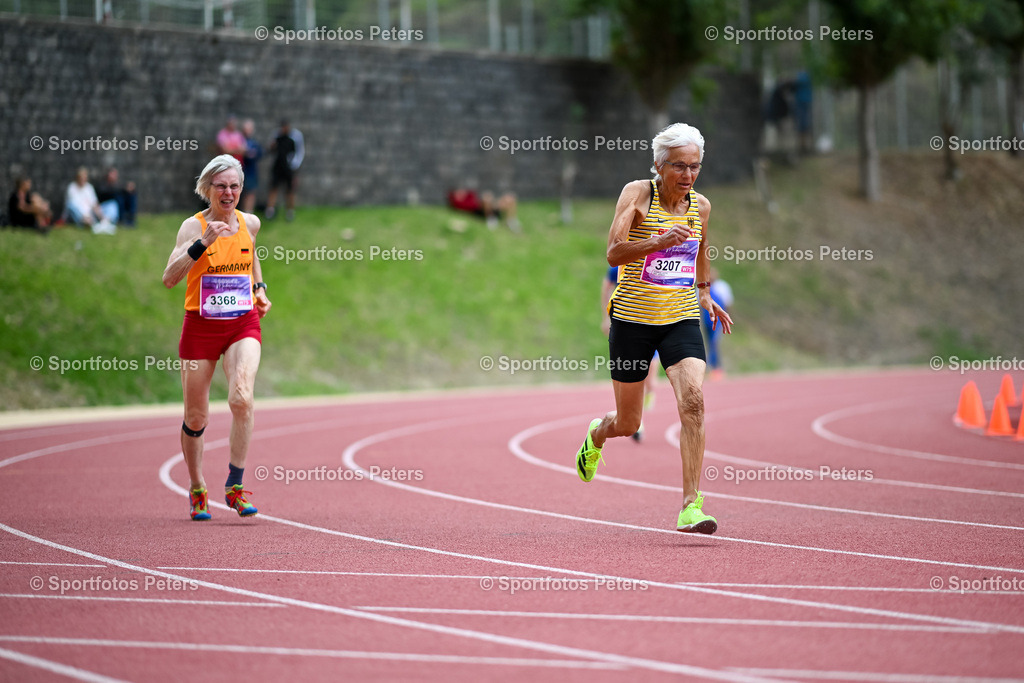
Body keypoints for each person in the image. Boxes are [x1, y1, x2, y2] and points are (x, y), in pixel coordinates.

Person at [575, 123, 733, 534]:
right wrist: (658, 242)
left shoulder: (701, 206)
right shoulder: (637, 194)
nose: (688, 174)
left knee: (693, 402)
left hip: (680, 317)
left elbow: (702, 248)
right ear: (660, 165)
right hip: (633, 321)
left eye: (695, 166)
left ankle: (690, 506)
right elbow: (613, 252)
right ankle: (598, 433)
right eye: (679, 166)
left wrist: (704, 292)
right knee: (628, 423)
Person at [162, 154, 272, 521]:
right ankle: (197, 487)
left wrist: (259, 288)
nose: (228, 193)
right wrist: (203, 242)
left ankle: (235, 486)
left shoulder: (250, 222)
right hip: (201, 326)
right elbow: (169, 278)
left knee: (242, 397)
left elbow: (250, 255)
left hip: (242, 323)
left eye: (234, 186)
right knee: (196, 417)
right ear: (207, 189)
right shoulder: (192, 228)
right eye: (221, 186)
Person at [602, 264, 657, 440]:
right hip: (629, 326)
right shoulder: (619, 265)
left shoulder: (654, 262)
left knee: (650, 383)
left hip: (655, 324)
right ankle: (639, 422)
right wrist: (606, 318)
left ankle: (644, 403)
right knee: (636, 379)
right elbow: (606, 287)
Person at [266, 120, 304, 221]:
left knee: (289, 190)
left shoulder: (291, 141)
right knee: (273, 189)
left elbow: (296, 154)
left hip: (288, 168)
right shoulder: (277, 139)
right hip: (277, 168)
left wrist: (293, 167)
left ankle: (290, 211)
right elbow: (270, 150)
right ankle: (270, 210)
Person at [700, 268, 734, 380]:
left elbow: (728, 304)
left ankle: (715, 368)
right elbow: (699, 305)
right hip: (707, 320)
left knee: (714, 343)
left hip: (719, 321)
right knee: (709, 343)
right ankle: (714, 368)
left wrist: (727, 318)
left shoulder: (722, 287)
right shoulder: (702, 287)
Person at [447, 187, 520, 231]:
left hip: (487, 207)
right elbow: (469, 206)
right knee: (487, 197)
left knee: (509, 198)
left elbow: (472, 193)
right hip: (479, 211)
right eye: (457, 194)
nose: (460, 193)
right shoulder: (459, 203)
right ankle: (491, 220)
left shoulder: (468, 197)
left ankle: (510, 220)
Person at [65, 167, 113, 231]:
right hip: (78, 216)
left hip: (90, 215)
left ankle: (105, 221)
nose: (83, 179)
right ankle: (85, 222)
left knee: (112, 204)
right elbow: (75, 205)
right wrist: (85, 217)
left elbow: (94, 204)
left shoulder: (89, 187)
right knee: (70, 205)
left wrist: (101, 217)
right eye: (81, 177)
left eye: (84, 178)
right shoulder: (72, 187)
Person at [240, 119, 263, 214]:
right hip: (240, 170)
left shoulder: (254, 143)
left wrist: (252, 154)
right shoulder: (239, 141)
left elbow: (260, 153)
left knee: (250, 192)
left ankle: (249, 212)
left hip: (251, 171)